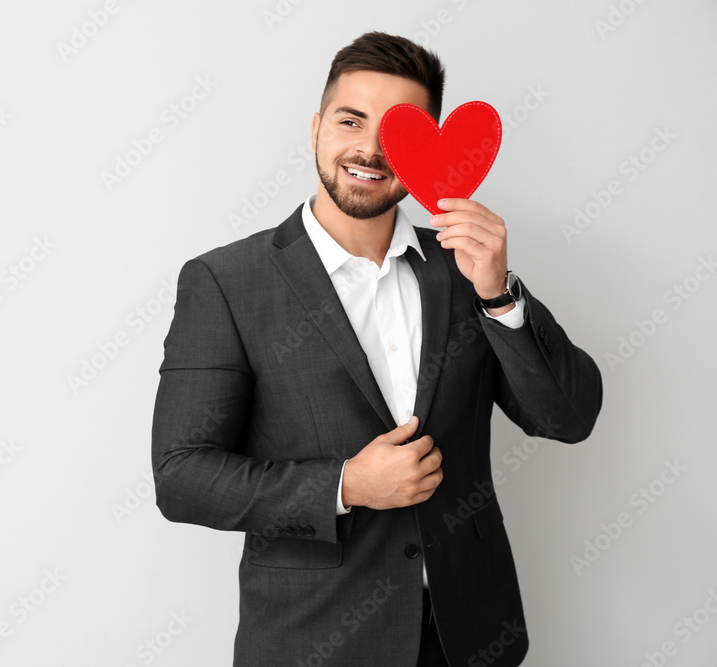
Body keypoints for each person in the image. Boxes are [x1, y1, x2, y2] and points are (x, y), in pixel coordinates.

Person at [150, 30, 602, 667]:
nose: (368, 149)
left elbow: (568, 418)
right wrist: (344, 485)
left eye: (394, 134)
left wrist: (500, 295)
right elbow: (182, 476)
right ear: (316, 129)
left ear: (424, 150)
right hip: (314, 640)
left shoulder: (462, 273)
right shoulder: (227, 282)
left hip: (468, 637)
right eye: (350, 120)